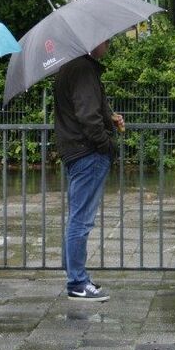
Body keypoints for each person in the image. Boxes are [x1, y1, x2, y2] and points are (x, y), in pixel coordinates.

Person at [53, 39, 124, 302]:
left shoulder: (70, 67)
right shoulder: (83, 69)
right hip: (87, 152)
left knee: (77, 218)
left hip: (77, 150)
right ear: (94, 41)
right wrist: (105, 145)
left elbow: (85, 111)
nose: (109, 43)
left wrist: (110, 117)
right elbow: (87, 115)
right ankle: (77, 282)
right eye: (107, 39)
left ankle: (76, 275)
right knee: (81, 220)